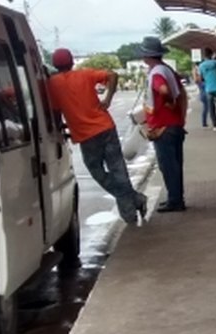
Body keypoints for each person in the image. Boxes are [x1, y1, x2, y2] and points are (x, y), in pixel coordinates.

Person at [47, 48, 147, 224]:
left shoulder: (52, 84)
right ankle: (131, 206)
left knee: (97, 172)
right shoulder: (85, 74)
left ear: (54, 64)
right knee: (118, 170)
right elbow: (112, 75)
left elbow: (55, 112)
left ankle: (133, 205)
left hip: (86, 136)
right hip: (106, 128)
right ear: (71, 62)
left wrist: (58, 128)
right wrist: (107, 99)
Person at [136, 37, 188, 213]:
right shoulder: (167, 69)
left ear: (147, 56)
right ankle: (176, 198)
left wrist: (167, 103)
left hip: (164, 126)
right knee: (175, 165)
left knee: (168, 166)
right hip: (174, 125)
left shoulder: (157, 73)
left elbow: (164, 90)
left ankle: (175, 200)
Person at [198, 48, 216, 129]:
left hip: (208, 88)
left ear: (204, 55)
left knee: (211, 108)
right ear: (211, 54)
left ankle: (215, 125)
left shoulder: (201, 65)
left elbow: (200, 78)